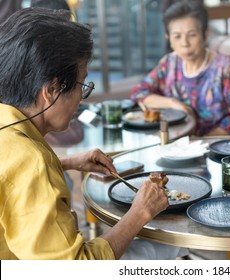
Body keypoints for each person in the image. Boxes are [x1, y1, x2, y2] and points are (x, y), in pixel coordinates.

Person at [0, 8, 169, 260]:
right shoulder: (32, 163)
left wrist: (66, 162)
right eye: (82, 84)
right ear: (52, 89)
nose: (81, 97)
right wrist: (140, 213)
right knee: (162, 248)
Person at [130, 0, 230, 136]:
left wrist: (201, 144)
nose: (184, 43)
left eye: (192, 35)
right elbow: (139, 93)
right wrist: (173, 103)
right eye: (177, 36)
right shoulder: (168, 64)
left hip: (217, 146)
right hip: (177, 145)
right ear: (168, 38)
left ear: (205, 34)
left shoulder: (225, 67)